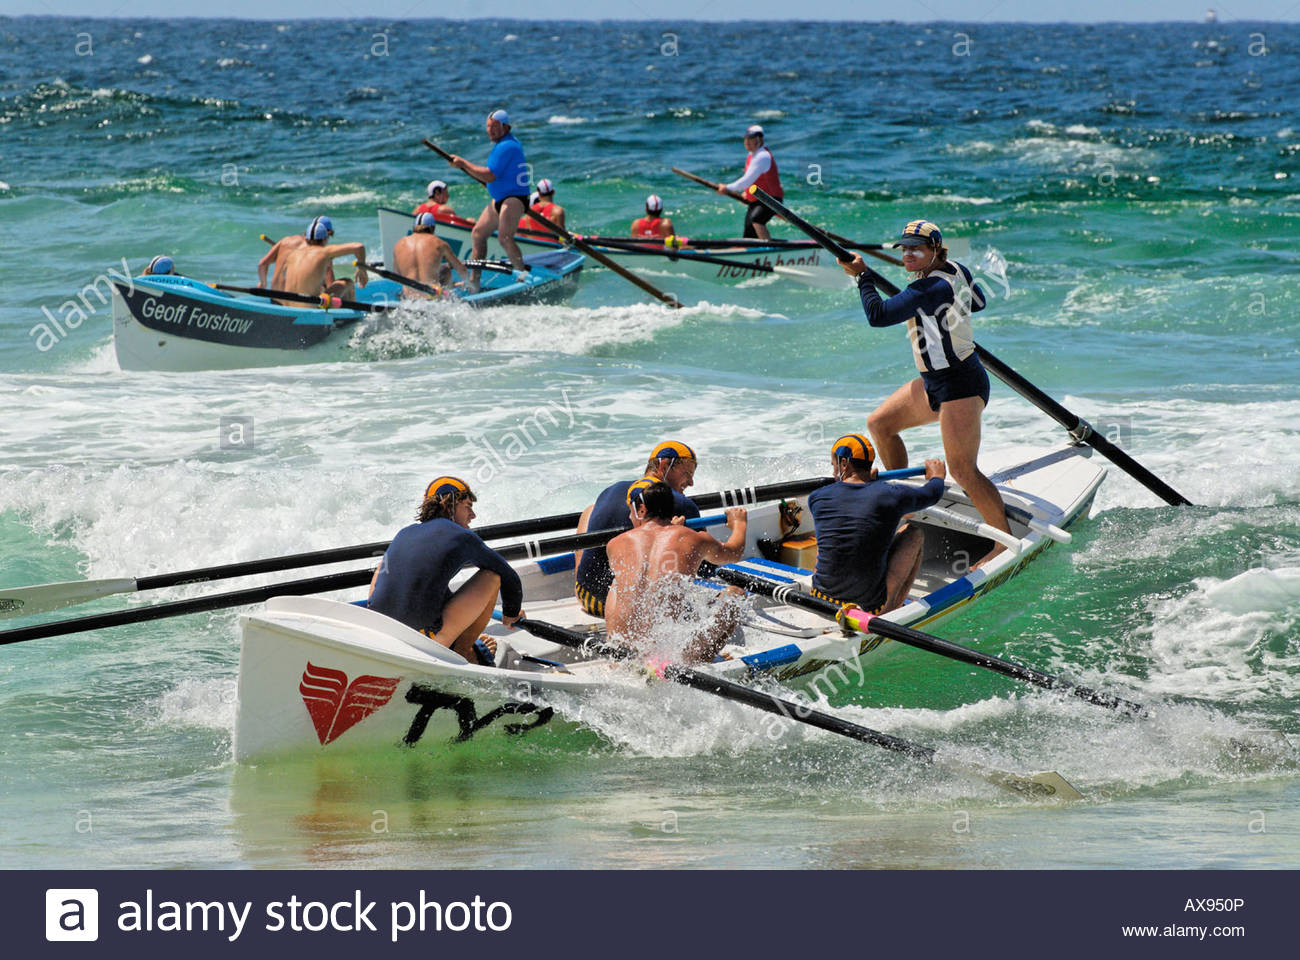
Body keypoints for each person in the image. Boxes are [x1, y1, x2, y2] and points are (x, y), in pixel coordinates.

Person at [839, 219, 1010, 568]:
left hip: (960, 385)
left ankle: (1002, 541)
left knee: (963, 470)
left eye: (917, 249)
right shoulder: (955, 270)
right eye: (904, 249)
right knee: (880, 424)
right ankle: (900, 510)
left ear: (935, 249)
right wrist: (937, 311)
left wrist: (862, 277)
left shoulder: (931, 288)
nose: (908, 255)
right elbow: (977, 302)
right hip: (933, 382)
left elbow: (878, 315)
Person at [368, 476, 524, 664]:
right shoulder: (462, 536)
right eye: (468, 506)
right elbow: (509, 577)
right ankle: (463, 652)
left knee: (383, 565)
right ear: (448, 504)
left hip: (380, 630)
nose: (473, 515)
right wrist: (511, 613)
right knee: (492, 577)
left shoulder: (404, 532)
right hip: (425, 640)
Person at [605, 480, 748, 664]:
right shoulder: (693, 539)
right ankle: (698, 661)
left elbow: (652, 560)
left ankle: (613, 654)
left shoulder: (615, 543)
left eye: (631, 511)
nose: (629, 516)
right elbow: (734, 552)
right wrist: (739, 523)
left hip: (623, 653)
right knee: (736, 595)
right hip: (666, 659)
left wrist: (675, 530)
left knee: (619, 582)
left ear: (641, 510)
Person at [808, 434, 947, 616]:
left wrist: (869, 484)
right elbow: (932, 494)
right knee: (913, 533)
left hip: (820, 599)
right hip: (868, 607)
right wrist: (937, 476)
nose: (834, 473)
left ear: (844, 464)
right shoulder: (891, 496)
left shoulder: (817, 498)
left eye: (833, 466)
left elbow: (852, 504)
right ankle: (891, 608)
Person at [572, 441, 701, 618]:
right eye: (687, 474)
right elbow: (705, 569)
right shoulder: (683, 505)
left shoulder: (612, 489)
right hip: (636, 606)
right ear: (664, 465)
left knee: (590, 510)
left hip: (587, 596)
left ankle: (580, 575)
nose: (691, 482)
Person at [446, 109, 530, 289]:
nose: (490, 130)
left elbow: (490, 175)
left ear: (506, 127)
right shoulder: (501, 145)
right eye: (488, 126)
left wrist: (463, 164)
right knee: (478, 233)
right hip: (500, 200)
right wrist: (465, 166)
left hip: (515, 199)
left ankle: (523, 277)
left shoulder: (508, 145)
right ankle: (474, 281)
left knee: (505, 238)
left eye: (494, 127)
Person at [261, 216, 367, 305]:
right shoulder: (323, 253)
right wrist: (362, 269)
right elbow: (359, 246)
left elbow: (262, 264)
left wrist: (262, 284)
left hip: (283, 302)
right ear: (326, 237)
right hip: (311, 306)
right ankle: (351, 319)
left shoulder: (292, 252)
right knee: (347, 282)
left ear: (306, 237)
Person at [718, 124, 783, 240]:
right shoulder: (752, 155)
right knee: (748, 234)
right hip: (757, 200)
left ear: (760, 140)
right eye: (746, 138)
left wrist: (727, 188)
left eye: (751, 139)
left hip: (771, 200)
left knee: (756, 219)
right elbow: (752, 179)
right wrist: (746, 193)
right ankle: (753, 253)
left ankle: (768, 249)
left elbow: (747, 181)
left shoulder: (762, 156)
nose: (747, 142)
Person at [392, 212, 469, 296]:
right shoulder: (439, 243)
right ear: (433, 228)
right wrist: (471, 285)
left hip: (409, 299)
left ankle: (453, 285)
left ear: (414, 227)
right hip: (432, 298)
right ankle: (450, 288)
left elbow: (397, 274)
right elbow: (462, 270)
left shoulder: (399, 244)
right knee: (445, 270)